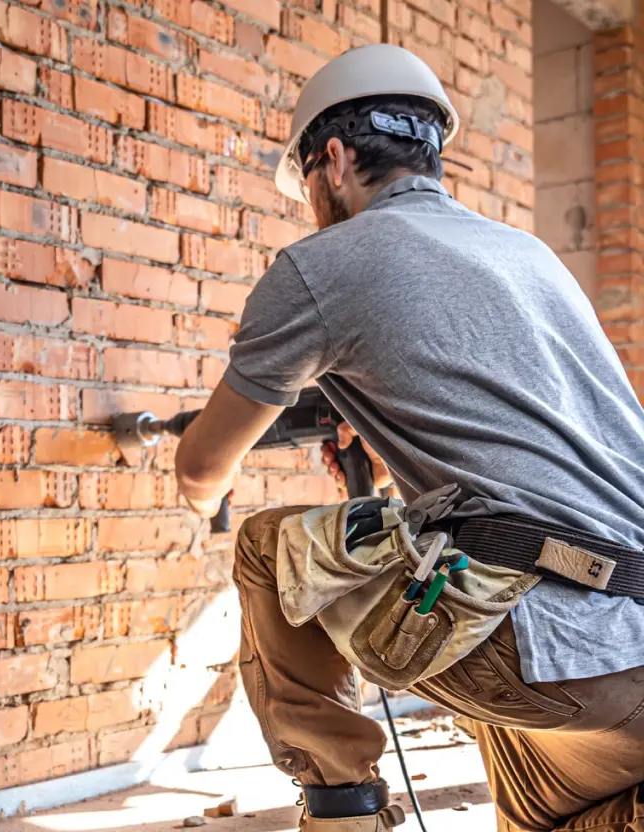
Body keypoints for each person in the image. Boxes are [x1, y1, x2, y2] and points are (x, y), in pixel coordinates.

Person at [174, 43, 644, 832]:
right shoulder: (528, 255)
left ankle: (341, 808)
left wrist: (203, 494)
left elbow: (200, 467)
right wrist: (391, 456)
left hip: (552, 655)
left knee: (267, 548)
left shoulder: (321, 266)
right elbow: (524, 454)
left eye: (310, 190)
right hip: (629, 634)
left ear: (331, 159)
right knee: (548, 816)